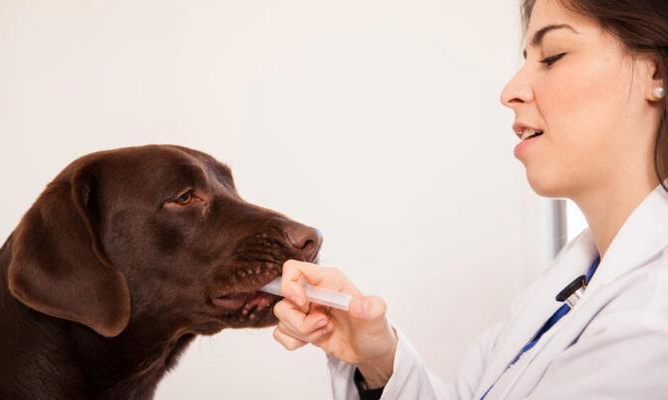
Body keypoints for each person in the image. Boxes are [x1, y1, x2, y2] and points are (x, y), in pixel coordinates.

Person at [271, 0, 668, 398]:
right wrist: (376, 359)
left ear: (655, 73)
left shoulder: (652, 322)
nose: (509, 92)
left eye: (553, 56)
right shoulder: (563, 285)